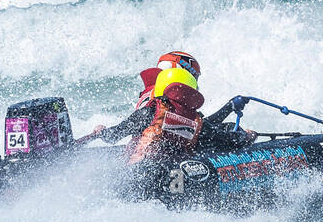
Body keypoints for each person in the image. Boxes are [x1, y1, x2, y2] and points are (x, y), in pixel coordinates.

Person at [91, 52, 254, 164]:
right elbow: (223, 139)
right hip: (173, 170)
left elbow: (113, 135)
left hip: (137, 166)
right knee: (228, 129)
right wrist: (247, 136)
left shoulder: (148, 110)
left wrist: (101, 132)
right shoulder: (195, 122)